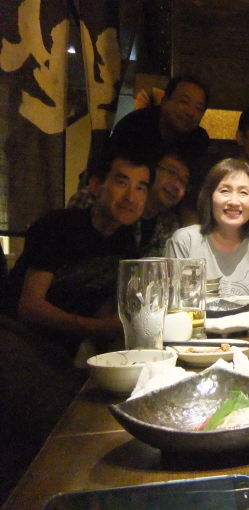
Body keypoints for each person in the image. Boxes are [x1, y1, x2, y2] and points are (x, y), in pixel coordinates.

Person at [0, 150, 151, 363]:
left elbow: (104, 303)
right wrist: (95, 327)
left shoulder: (125, 239)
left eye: (140, 188)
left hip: (69, 352)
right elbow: (29, 307)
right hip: (18, 344)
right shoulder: (56, 226)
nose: (130, 197)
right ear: (95, 186)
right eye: (121, 183)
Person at [165, 159, 249, 299]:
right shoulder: (185, 242)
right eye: (225, 191)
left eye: (243, 192)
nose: (234, 202)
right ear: (209, 197)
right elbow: (173, 305)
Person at [68, 149, 193, 257]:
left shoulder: (170, 224)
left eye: (184, 181)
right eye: (171, 172)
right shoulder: (93, 197)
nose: (177, 185)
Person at [110, 75, 210, 161]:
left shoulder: (198, 140)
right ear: (165, 101)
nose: (190, 112)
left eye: (198, 108)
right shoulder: (133, 126)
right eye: (184, 102)